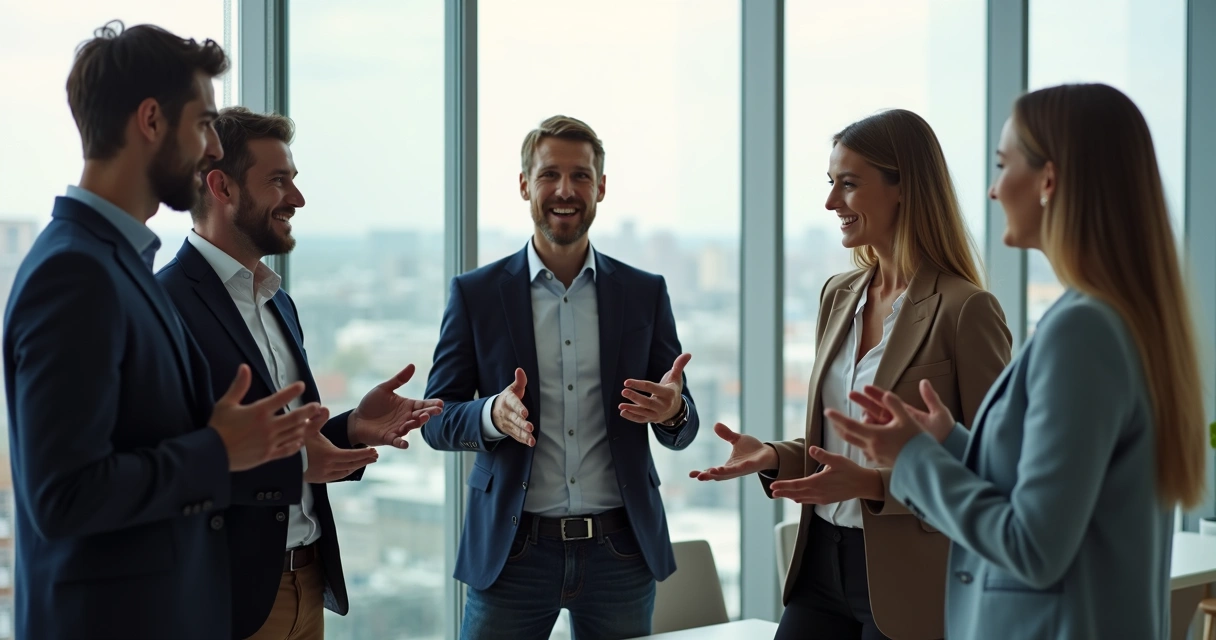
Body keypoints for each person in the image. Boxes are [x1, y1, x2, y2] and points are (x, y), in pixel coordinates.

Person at [828, 84, 1206, 639]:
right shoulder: (1111, 318)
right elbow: (1063, 494)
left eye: (1004, 165)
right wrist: (953, 443)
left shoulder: (1083, 331)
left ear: (1049, 181)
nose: (993, 189)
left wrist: (911, 460)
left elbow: (1032, 546)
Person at [3, 22, 328, 640]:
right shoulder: (75, 271)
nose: (212, 148)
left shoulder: (118, 263)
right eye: (203, 123)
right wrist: (217, 450)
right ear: (151, 121)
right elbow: (62, 496)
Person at [692, 109, 1011, 639]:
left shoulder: (965, 309)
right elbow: (842, 442)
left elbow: (989, 468)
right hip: (819, 565)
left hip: (911, 578)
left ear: (903, 188)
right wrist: (774, 455)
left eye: (849, 185)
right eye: (830, 184)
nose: (831, 203)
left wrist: (871, 484)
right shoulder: (838, 295)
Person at [157, 106, 444, 640]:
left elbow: (292, 444)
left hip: (307, 585)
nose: (297, 198)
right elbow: (171, 466)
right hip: (225, 601)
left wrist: (353, 425)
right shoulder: (164, 305)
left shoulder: (277, 301)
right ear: (221, 186)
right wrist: (293, 469)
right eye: (278, 181)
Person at [423, 115, 698, 640]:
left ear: (601, 187)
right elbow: (436, 419)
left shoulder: (645, 293)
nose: (565, 190)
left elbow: (682, 424)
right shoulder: (476, 295)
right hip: (513, 550)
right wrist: (491, 415)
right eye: (550, 175)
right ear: (525, 185)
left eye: (581, 176)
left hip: (621, 550)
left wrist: (673, 412)